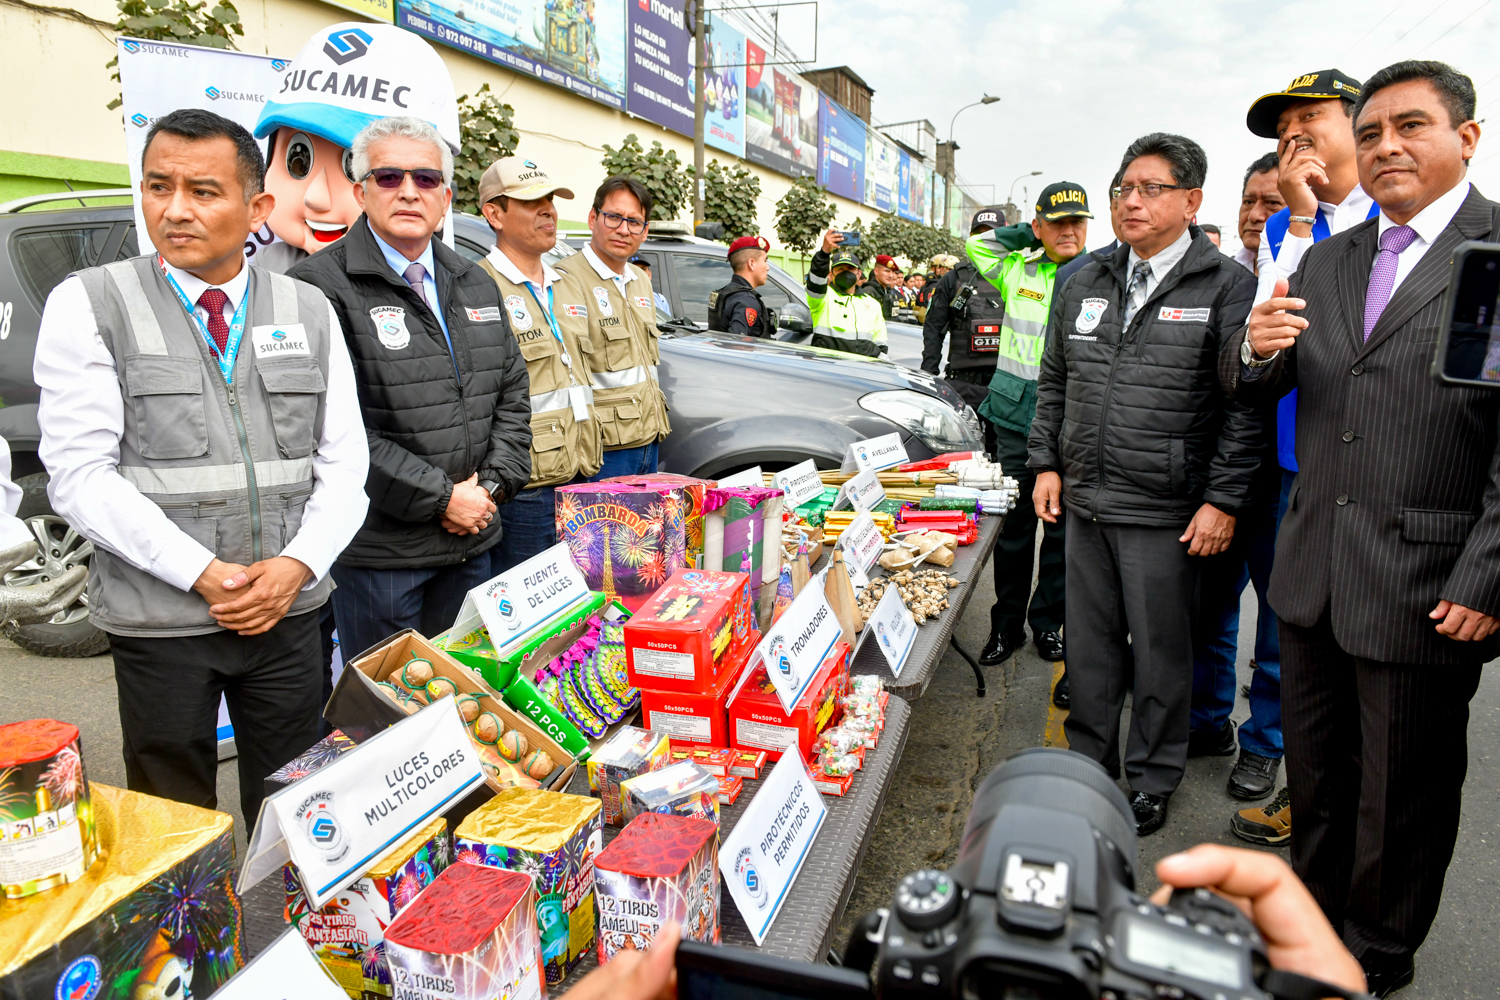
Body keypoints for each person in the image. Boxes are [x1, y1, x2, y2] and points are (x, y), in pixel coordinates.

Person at [1224, 61, 1496, 996]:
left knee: (1403, 797)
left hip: (1428, 585)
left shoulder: (1492, 255)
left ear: (1466, 138)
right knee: (1321, 778)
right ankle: (1309, 921)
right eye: (1373, 131)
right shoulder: (1329, 257)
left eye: (1410, 126)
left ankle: (1378, 953)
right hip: (1312, 571)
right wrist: (1253, 351)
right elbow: (1265, 382)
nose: (1386, 147)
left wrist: (1487, 575)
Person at [33, 108, 370, 825]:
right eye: (159, 187)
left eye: (203, 191)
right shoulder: (92, 304)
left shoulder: (307, 307)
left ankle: (294, 935)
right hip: (165, 621)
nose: (175, 209)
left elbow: (344, 461)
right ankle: (186, 942)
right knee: (171, 816)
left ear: (257, 208)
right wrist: (204, 573)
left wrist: (297, 566)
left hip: (288, 613)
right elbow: (79, 475)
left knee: (296, 806)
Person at [1030, 133, 1260, 837]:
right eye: (1124, 188)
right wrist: (1045, 461)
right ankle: (1087, 767)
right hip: (1086, 500)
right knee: (1091, 650)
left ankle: (1154, 777)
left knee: (1162, 655)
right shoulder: (1086, 278)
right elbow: (1055, 381)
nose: (1132, 200)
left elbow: (1242, 408)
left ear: (1191, 201)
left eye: (1151, 188)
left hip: (1167, 508)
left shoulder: (1225, 285)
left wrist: (1222, 500)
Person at [288, 116, 531, 658]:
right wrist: (443, 498)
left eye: (424, 179)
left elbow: (512, 391)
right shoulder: (316, 288)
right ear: (360, 191)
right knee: (387, 716)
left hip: (473, 541)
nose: (407, 192)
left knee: (466, 698)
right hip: (384, 558)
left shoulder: (473, 279)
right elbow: (331, 430)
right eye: (389, 177)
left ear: (445, 198)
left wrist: (488, 490)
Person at [1224, 68, 1377, 850]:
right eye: (1284, 128)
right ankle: (1297, 778)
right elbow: (1267, 335)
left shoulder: (1400, 218)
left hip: (1371, 467)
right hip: (1290, 454)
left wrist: (1314, 221)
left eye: (1312, 117)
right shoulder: (1291, 223)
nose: (1295, 136)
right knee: (1293, 623)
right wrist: (1300, 220)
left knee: (1352, 649)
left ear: (1364, 121)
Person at [1189, 152, 1293, 816]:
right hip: (1218, 474)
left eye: (1273, 203)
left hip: (1286, 476)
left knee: (1280, 623)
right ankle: (1205, 720)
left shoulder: (1310, 272)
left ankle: (1265, 740)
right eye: (1249, 202)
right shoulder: (1223, 281)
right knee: (1207, 607)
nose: (1257, 215)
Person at [958, 182, 1093, 673]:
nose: (1070, 231)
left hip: (1072, 425)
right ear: (1039, 227)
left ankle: (1047, 624)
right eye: (1057, 223)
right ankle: (1006, 624)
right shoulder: (1020, 269)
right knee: (1014, 533)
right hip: (1016, 420)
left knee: (1059, 535)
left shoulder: (1098, 277)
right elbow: (979, 244)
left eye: (1078, 222)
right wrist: (1028, 232)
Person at [475, 156, 602, 572]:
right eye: (532, 202)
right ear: (494, 213)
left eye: (550, 198)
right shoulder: (477, 288)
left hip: (583, 473)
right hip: (527, 487)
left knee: (586, 606)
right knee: (536, 621)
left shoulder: (569, 283)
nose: (548, 209)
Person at [555, 175, 671, 480]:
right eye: (614, 217)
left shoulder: (639, 279)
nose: (623, 229)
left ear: (645, 231)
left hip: (648, 437)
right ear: (593, 218)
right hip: (605, 448)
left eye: (635, 222)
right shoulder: (565, 279)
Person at [805, 231, 888, 357]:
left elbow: (881, 346)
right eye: (840, 269)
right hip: (827, 368)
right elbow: (816, 280)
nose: (845, 273)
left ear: (859, 273)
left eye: (850, 269)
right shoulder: (822, 297)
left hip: (861, 371)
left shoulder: (873, 304)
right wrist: (824, 252)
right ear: (831, 274)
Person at [708, 235, 776, 338]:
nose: (768, 267)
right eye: (765, 261)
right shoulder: (746, 300)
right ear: (751, 263)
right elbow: (737, 345)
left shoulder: (724, 294)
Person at [1233, 152, 1285, 274]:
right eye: (1249, 202)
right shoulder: (1221, 276)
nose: (1254, 216)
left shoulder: (1314, 278)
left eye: (1272, 203)